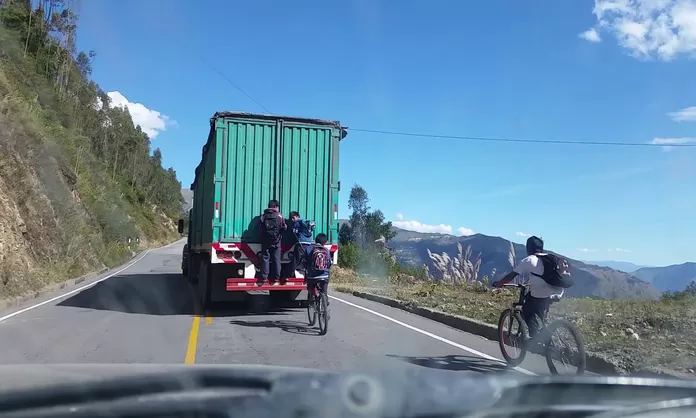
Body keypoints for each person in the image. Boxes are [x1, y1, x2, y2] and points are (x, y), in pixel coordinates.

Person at [493, 236, 566, 339]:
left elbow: (511, 275)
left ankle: (536, 338)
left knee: (527, 309)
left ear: (528, 248)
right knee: (537, 306)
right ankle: (547, 335)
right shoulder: (552, 258)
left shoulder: (529, 260)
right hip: (559, 292)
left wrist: (499, 283)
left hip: (542, 293)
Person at [259, 200, 287, 283]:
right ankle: (276, 277)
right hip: (276, 241)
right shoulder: (279, 216)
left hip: (265, 241)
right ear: (275, 207)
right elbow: (284, 227)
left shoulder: (263, 216)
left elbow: (260, 228)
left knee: (265, 258)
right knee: (276, 259)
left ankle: (264, 277)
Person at [305, 233, 332, 305]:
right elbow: (329, 263)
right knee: (324, 290)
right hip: (324, 276)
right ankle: (325, 301)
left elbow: (305, 261)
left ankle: (313, 295)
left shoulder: (309, 249)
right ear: (325, 242)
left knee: (310, 285)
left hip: (312, 276)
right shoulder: (326, 250)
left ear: (316, 240)